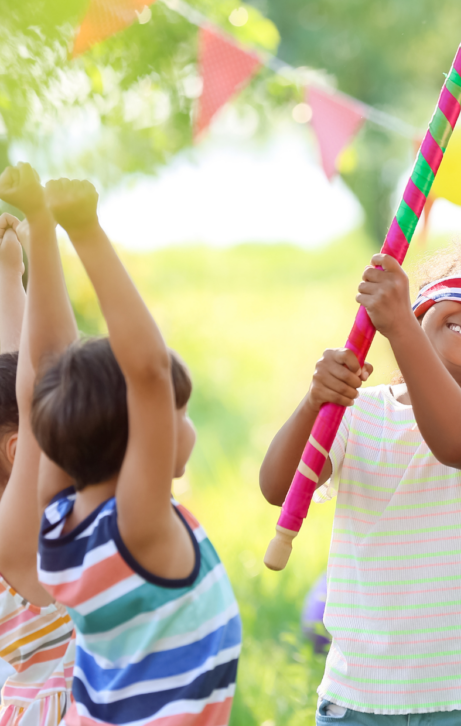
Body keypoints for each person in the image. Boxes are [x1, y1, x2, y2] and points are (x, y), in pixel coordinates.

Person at [260, 241, 461, 724]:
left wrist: (398, 329)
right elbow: (279, 487)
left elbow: (456, 444)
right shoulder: (360, 410)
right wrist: (316, 401)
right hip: (356, 697)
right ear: (425, 308)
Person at [0, 163, 242, 725]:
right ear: (141, 441)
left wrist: (40, 224)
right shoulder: (139, 530)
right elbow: (150, 373)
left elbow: (43, 375)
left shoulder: (59, 526)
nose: (184, 425)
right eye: (175, 415)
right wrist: (84, 231)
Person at [0, 206, 76, 725]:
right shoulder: (25, 540)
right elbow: (51, 380)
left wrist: (9, 270)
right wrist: (44, 243)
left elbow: (17, 373)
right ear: (18, 450)